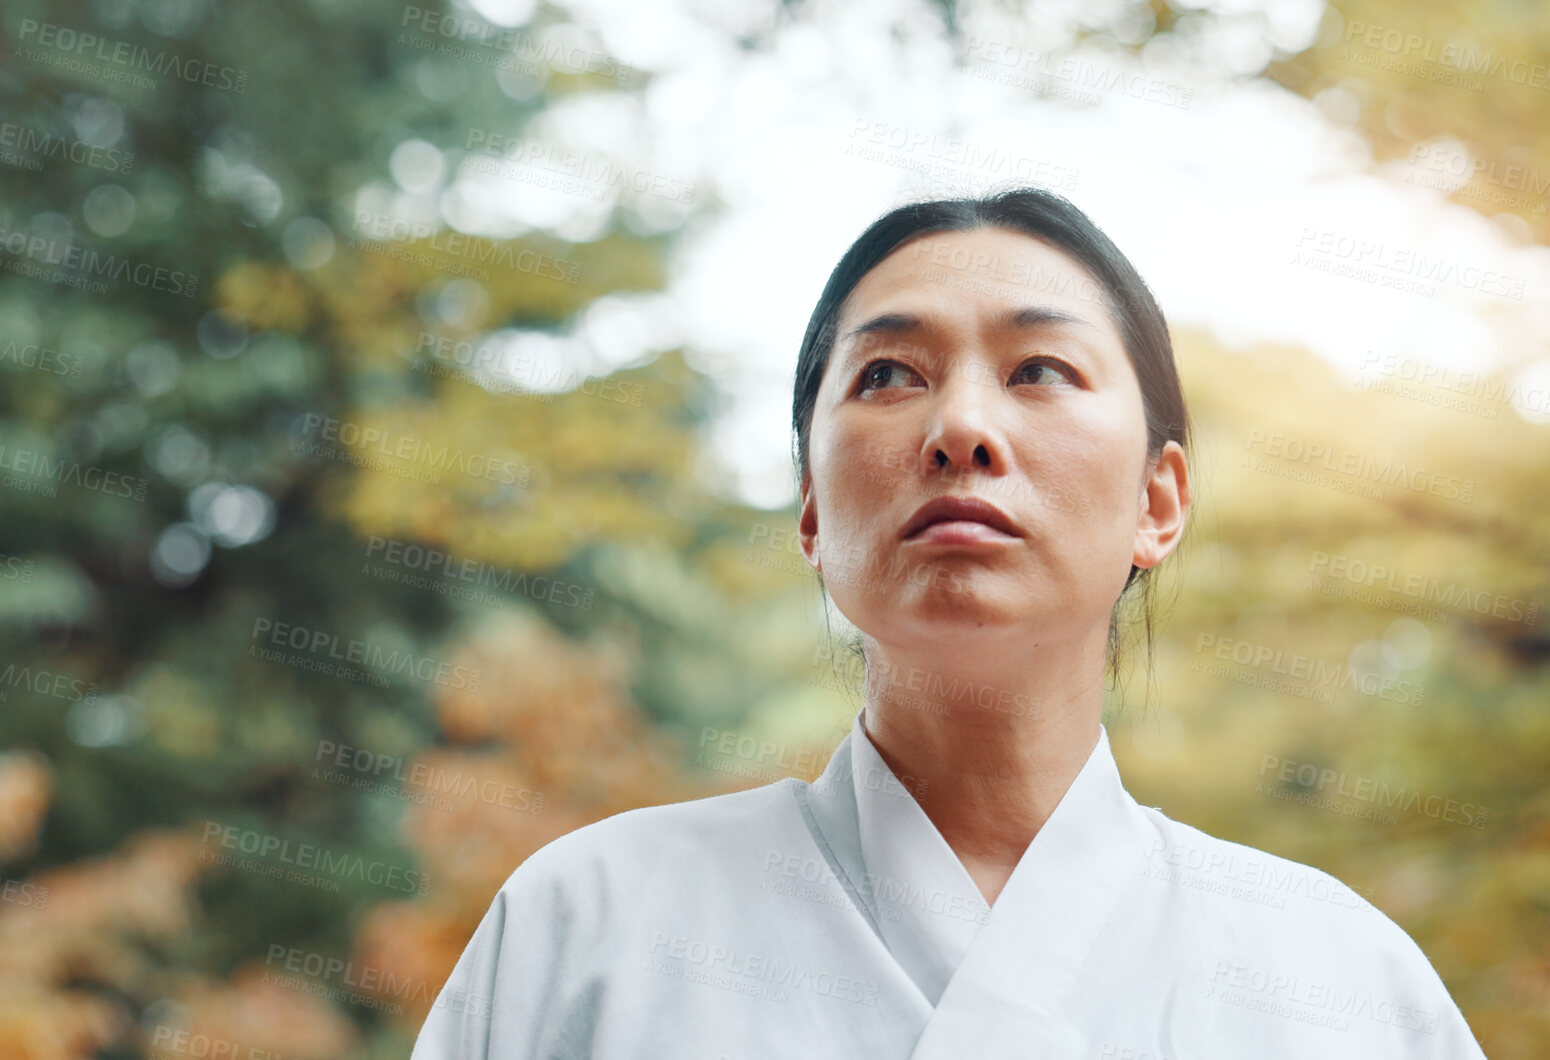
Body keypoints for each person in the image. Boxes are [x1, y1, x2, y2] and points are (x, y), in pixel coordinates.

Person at [411, 187, 1488, 1058]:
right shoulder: (590, 922)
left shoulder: (1338, 980)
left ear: (1156, 503)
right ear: (812, 510)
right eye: (888, 374)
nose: (961, 427)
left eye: (1041, 371)